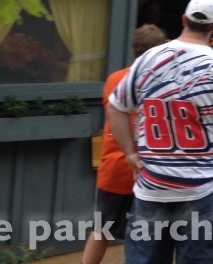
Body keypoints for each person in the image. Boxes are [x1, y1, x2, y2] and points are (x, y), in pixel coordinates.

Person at [108, 0, 213, 264]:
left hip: (152, 185)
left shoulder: (147, 59)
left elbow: (116, 107)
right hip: (201, 187)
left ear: (184, 20)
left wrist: (130, 153)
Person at [83, 24, 168, 264]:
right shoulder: (165, 83)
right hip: (150, 171)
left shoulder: (115, 79)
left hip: (114, 167)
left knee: (101, 229)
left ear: (133, 51)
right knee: (151, 235)